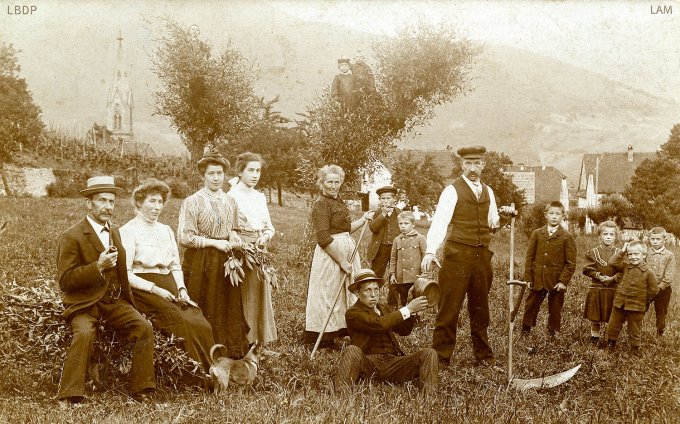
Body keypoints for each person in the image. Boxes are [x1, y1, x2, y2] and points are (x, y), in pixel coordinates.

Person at [56, 176, 155, 406]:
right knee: (84, 333)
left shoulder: (115, 232)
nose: (108, 206)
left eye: (111, 201)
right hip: (84, 302)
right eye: (102, 200)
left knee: (144, 327)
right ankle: (70, 394)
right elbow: (65, 280)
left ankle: (142, 390)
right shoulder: (72, 236)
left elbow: (121, 271)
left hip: (112, 302)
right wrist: (97, 267)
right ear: (88, 203)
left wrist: (126, 299)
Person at [421, 145, 516, 367]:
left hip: (482, 257)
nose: (472, 168)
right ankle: (441, 358)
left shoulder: (489, 191)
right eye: (468, 164)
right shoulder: (451, 191)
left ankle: (483, 355)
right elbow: (440, 223)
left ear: (483, 165)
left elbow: (492, 223)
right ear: (462, 165)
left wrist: (505, 215)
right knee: (449, 307)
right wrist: (430, 250)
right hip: (457, 256)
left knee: (480, 308)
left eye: (477, 163)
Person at [120, 178, 215, 372]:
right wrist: (155, 289)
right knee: (181, 322)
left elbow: (174, 265)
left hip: (169, 283)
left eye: (160, 202)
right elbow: (126, 274)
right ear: (139, 202)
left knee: (199, 320)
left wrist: (181, 289)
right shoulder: (127, 231)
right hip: (144, 287)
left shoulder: (166, 230)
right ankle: (196, 376)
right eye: (151, 201)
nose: (157, 207)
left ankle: (215, 372)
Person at [177, 150, 249, 359]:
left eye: (220, 173)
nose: (216, 178)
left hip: (226, 261)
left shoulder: (230, 201)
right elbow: (185, 237)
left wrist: (234, 237)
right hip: (202, 261)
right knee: (207, 304)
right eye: (211, 174)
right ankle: (204, 354)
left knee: (227, 305)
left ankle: (229, 352)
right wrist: (215, 243)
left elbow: (234, 228)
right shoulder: (193, 201)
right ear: (203, 176)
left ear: (225, 175)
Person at [334, 269, 438, 395]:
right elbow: (379, 324)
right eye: (368, 290)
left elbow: (404, 330)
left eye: (376, 289)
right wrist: (408, 309)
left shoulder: (383, 308)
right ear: (357, 293)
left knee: (429, 353)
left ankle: (430, 396)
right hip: (368, 365)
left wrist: (412, 309)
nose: (373, 294)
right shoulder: (353, 313)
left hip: (393, 363)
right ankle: (342, 394)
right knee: (352, 350)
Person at [304, 164, 374, 350]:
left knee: (347, 293)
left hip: (347, 251)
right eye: (329, 182)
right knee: (328, 294)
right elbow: (323, 238)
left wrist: (364, 218)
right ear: (322, 183)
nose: (334, 186)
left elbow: (346, 229)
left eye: (337, 182)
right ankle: (324, 338)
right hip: (331, 255)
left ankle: (344, 330)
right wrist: (341, 260)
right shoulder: (320, 205)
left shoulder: (339, 202)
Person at [227, 152, 277, 345]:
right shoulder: (231, 197)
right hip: (241, 250)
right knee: (247, 294)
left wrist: (264, 236)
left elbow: (268, 226)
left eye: (258, 170)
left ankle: (259, 341)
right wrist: (240, 242)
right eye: (250, 170)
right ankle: (245, 341)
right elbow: (230, 228)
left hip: (259, 249)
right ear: (240, 171)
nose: (255, 175)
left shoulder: (259, 197)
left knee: (260, 292)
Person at [520, 201, 577, 338]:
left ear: (563, 216)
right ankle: (525, 331)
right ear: (546, 215)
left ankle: (552, 334)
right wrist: (528, 278)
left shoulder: (567, 237)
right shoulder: (537, 234)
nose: (554, 216)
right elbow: (529, 258)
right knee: (530, 305)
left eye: (558, 214)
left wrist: (563, 281)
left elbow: (571, 263)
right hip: (537, 279)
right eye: (551, 213)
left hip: (556, 281)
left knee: (555, 309)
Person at [606, 241, 659, 353]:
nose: (633, 257)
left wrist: (643, 299)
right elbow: (612, 262)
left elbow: (654, 290)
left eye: (636, 254)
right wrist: (623, 250)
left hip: (636, 306)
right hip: (620, 303)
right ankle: (611, 345)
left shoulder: (649, 272)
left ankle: (634, 349)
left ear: (644, 255)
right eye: (630, 254)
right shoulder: (625, 266)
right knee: (613, 324)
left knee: (634, 328)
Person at [582, 220, 622, 345]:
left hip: (613, 289)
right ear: (600, 236)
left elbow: (625, 270)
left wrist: (613, 278)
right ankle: (594, 338)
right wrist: (598, 276)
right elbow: (587, 268)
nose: (608, 237)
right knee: (595, 316)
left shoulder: (620, 253)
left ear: (616, 237)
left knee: (613, 317)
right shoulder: (593, 252)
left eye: (611, 234)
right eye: (605, 234)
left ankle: (611, 340)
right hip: (597, 288)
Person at [388, 211, 427, 308]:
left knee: (415, 298)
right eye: (400, 224)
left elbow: (425, 256)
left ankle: (416, 317)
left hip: (415, 276)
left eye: (406, 223)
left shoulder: (420, 238)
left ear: (413, 224)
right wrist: (392, 274)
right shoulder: (397, 240)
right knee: (403, 298)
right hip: (401, 277)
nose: (403, 226)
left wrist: (424, 273)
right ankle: (405, 318)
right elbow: (393, 258)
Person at [367, 185, 401, 295]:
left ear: (394, 199)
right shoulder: (377, 213)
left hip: (395, 249)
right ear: (380, 200)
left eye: (388, 198)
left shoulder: (400, 213)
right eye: (383, 198)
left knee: (395, 275)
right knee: (376, 275)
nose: (385, 201)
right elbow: (373, 228)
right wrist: (383, 214)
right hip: (380, 249)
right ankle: (373, 300)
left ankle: (392, 304)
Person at [646, 227, 676, 337]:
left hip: (663, 289)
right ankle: (636, 328)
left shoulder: (669, 255)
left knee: (661, 310)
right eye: (652, 239)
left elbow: (669, 275)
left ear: (665, 239)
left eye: (658, 239)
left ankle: (660, 331)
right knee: (641, 308)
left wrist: (660, 286)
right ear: (649, 239)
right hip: (647, 287)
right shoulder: (646, 253)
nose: (654, 242)